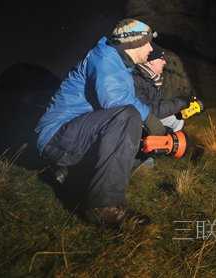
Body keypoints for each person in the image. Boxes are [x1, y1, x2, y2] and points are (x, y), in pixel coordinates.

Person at [35, 18, 171, 227]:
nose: (151, 48)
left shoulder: (122, 67)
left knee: (133, 126)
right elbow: (115, 101)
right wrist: (150, 119)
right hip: (57, 135)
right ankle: (103, 207)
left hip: (76, 134)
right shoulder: (105, 56)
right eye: (147, 43)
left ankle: (71, 175)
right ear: (133, 42)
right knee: (127, 116)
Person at [133, 42, 188, 133]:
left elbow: (159, 103)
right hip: (138, 122)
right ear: (151, 61)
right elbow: (150, 110)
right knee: (174, 119)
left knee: (176, 119)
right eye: (161, 58)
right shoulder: (137, 79)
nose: (165, 62)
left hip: (147, 117)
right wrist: (180, 103)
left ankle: (168, 145)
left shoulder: (153, 79)